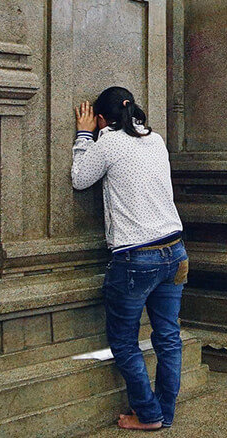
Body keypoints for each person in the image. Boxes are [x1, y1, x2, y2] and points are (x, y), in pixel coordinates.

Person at [72, 87, 187, 431]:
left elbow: (80, 179)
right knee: (168, 336)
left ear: (102, 119)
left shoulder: (106, 141)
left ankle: (149, 415)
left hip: (136, 258)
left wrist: (84, 135)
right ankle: (164, 413)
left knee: (123, 341)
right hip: (175, 250)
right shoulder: (156, 139)